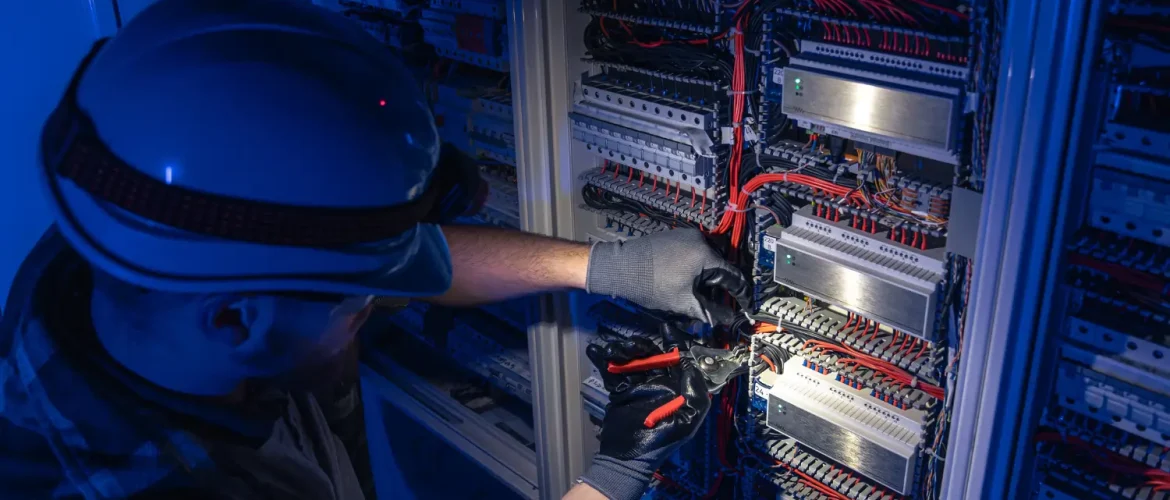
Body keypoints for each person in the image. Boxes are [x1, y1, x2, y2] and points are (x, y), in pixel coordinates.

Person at [0, 1, 745, 498]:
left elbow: (375, 257)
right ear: (236, 323)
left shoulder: (123, 244)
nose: (380, 302)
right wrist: (612, 477)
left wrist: (610, 267)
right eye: (359, 301)